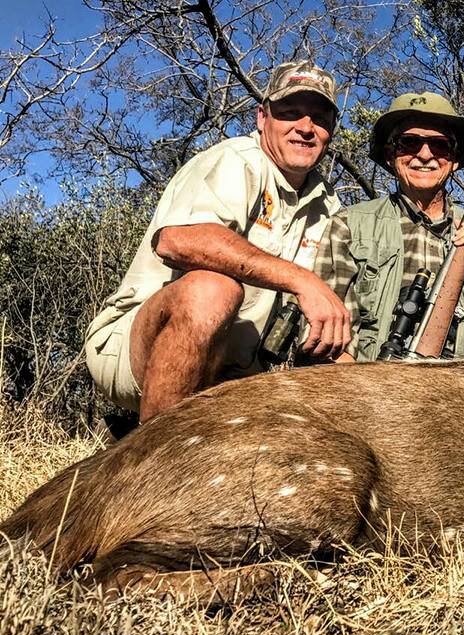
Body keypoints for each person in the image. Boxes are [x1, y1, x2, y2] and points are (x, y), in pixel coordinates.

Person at [84, 61, 351, 422]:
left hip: (239, 375)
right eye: (290, 113)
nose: (305, 128)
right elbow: (177, 241)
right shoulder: (237, 160)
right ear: (262, 117)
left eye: (319, 119)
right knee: (211, 289)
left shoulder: (330, 204)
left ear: (331, 130)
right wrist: (302, 280)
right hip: (132, 350)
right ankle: (158, 461)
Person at [316, 92, 464, 361]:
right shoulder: (349, 226)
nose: (424, 155)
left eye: (440, 145)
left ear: (454, 159)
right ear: (391, 155)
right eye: (409, 143)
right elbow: (327, 341)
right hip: (374, 391)